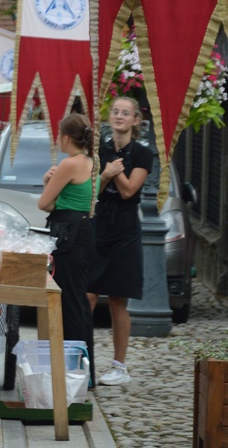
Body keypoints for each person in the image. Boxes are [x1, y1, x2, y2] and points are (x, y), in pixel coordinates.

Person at [88, 97, 151, 386]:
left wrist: (116, 171)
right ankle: (78, 357)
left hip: (125, 232)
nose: (119, 116)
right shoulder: (98, 150)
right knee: (87, 295)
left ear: (136, 120)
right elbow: (92, 191)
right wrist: (105, 174)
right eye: (115, 111)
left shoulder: (142, 154)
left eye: (126, 113)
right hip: (99, 226)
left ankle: (119, 366)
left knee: (117, 300)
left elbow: (128, 191)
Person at [38, 113, 96, 386]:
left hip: (68, 234)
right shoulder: (90, 161)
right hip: (83, 231)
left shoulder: (69, 163)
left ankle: (74, 370)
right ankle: (85, 369)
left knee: (68, 302)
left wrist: (47, 182)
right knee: (78, 301)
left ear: (65, 138)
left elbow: (44, 203)